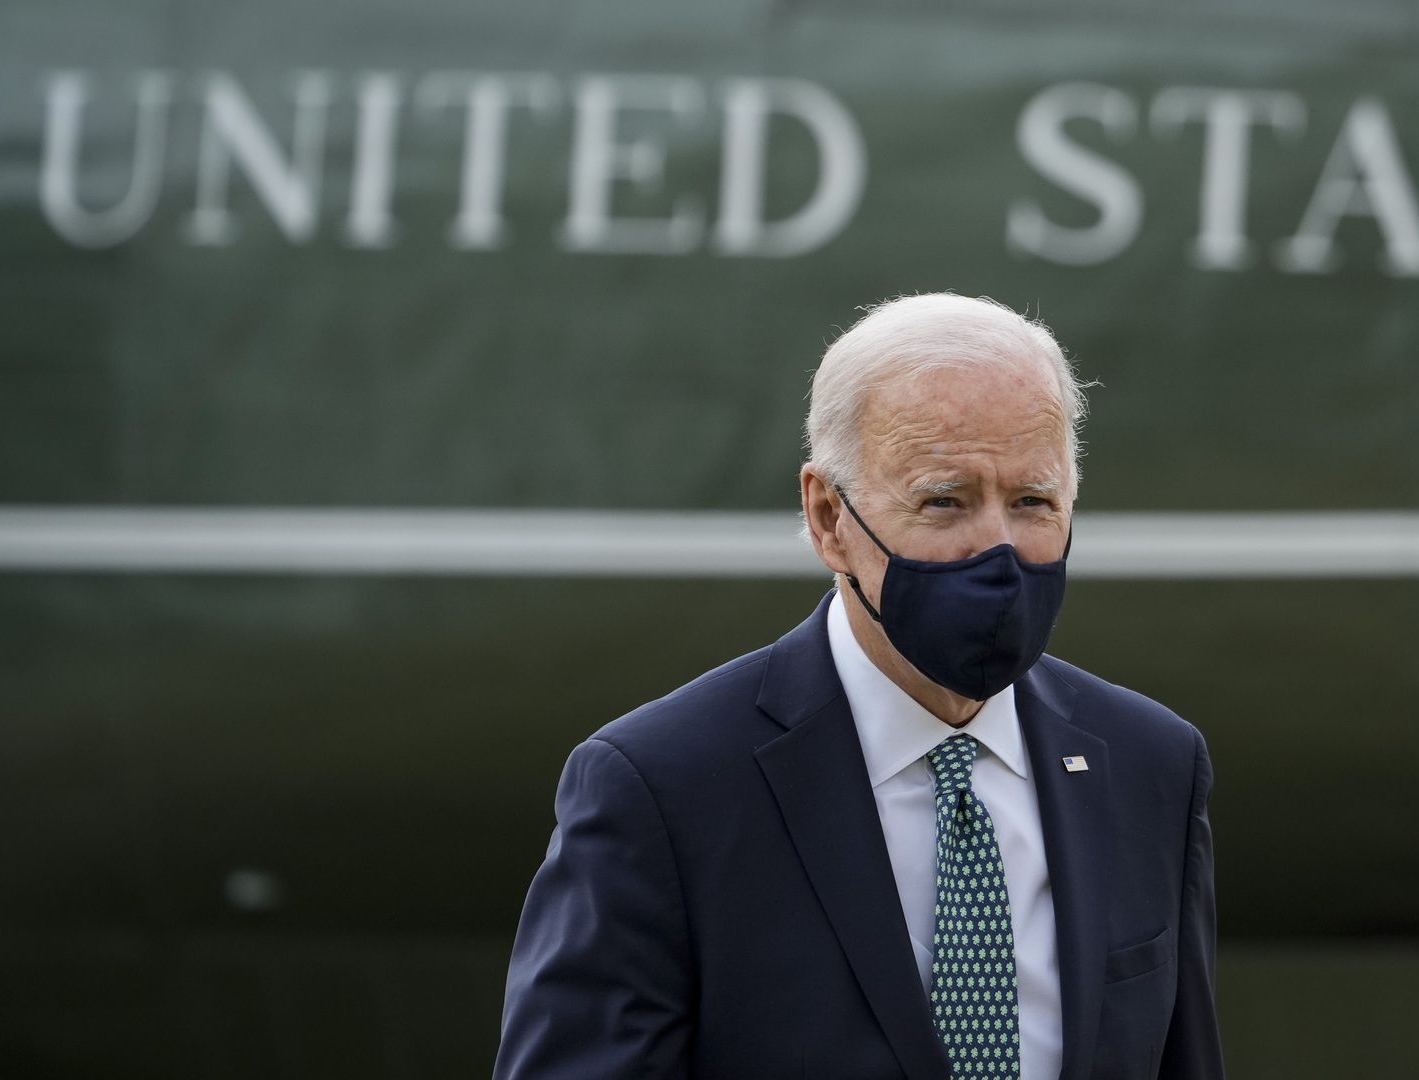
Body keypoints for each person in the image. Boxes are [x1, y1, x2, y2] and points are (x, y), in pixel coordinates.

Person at [495, 293, 1223, 1079]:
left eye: (1032, 502)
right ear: (827, 516)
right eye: (944, 501)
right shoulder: (662, 788)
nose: (999, 550)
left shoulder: (1153, 764)